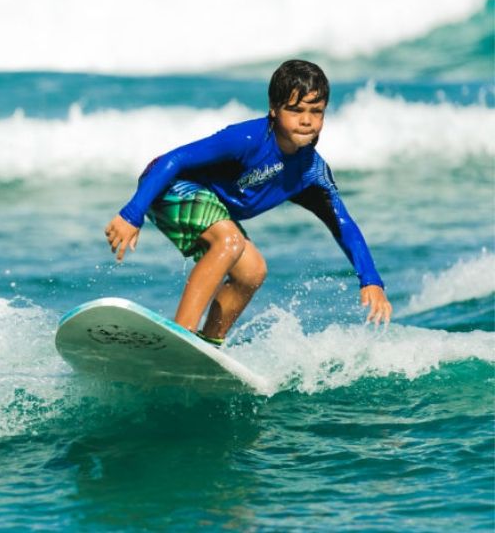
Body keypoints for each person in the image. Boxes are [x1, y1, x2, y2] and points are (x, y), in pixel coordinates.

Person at [104, 59, 392, 346]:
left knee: (252, 271)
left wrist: (371, 280)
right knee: (229, 241)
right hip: (168, 184)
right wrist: (132, 213)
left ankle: (209, 345)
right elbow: (174, 159)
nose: (306, 120)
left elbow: (343, 224)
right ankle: (183, 335)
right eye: (295, 110)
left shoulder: (311, 172)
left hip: (211, 204)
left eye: (316, 112)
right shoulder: (249, 138)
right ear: (274, 110)